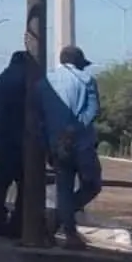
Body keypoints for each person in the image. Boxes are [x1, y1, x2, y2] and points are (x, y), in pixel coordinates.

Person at [38, 45, 102, 249]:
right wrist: (72, 130)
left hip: (56, 144)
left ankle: (66, 230)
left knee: (63, 188)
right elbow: (92, 110)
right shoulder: (87, 81)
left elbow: (39, 117)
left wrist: (51, 142)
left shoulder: (44, 83)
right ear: (78, 63)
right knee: (92, 185)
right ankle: (59, 222)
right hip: (81, 143)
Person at [0, 51, 29, 237]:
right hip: (20, 136)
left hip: (0, 133)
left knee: (1, 180)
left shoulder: (1, 79)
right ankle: (18, 223)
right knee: (25, 181)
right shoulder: (28, 80)